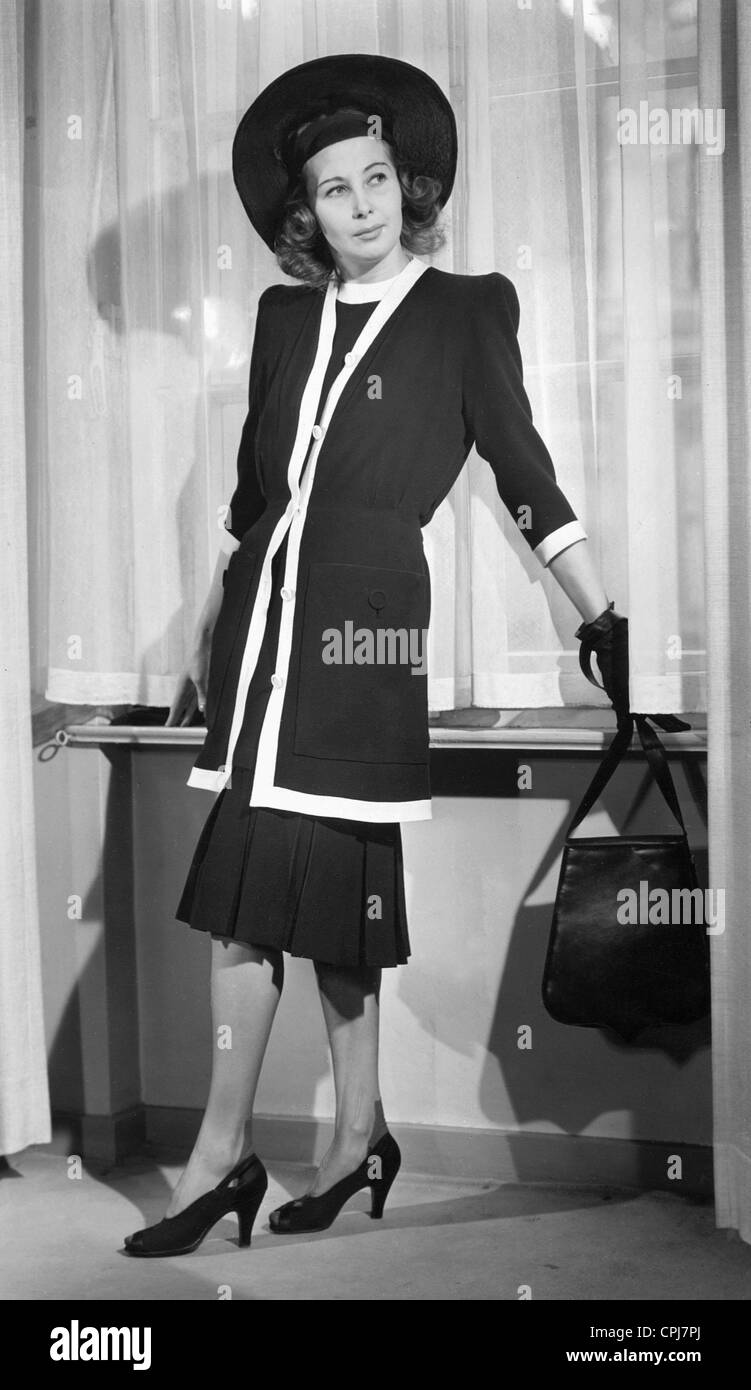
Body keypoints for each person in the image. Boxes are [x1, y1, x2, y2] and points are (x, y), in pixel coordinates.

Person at [123, 53, 629, 1258]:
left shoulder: (467, 311)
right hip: (262, 633)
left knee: (279, 897)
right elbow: (256, 499)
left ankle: (226, 1157)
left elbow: (524, 476)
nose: (361, 205)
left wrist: (595, 609)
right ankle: (354, 1137)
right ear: (305, 212)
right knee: (308, 905)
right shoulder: (281, 317)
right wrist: (206, 625)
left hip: (362, 634)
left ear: (409, 187)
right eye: (336, 189)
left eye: (379, 179)